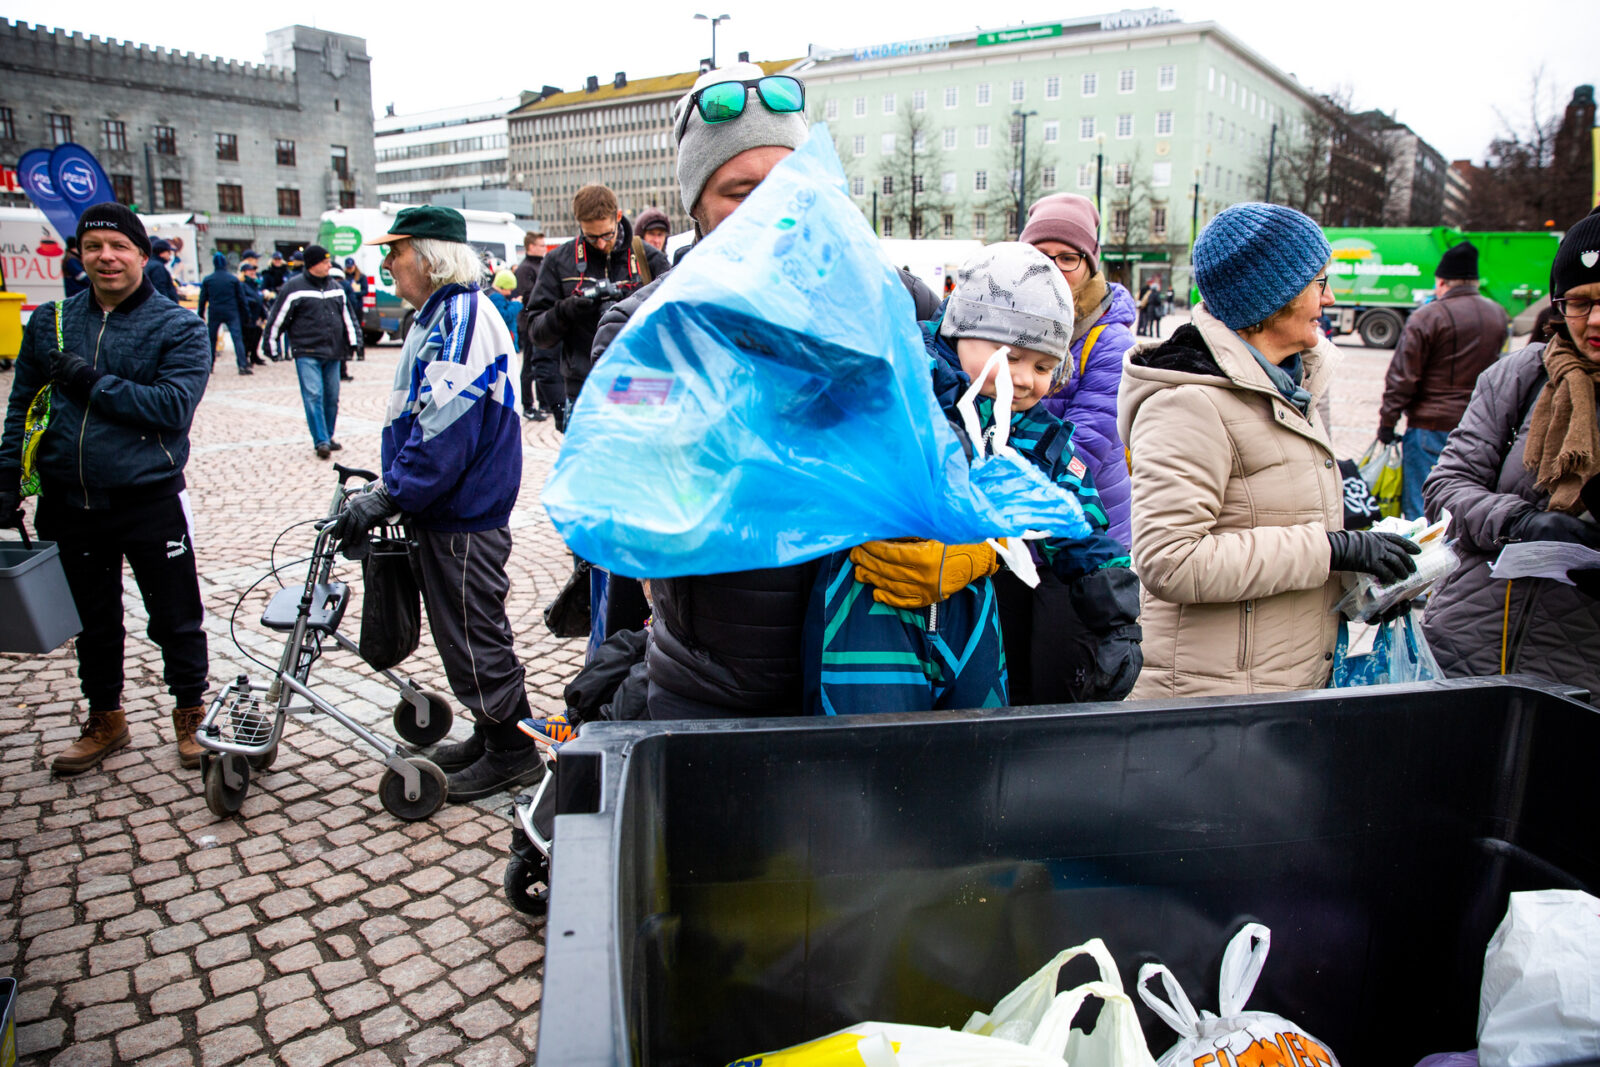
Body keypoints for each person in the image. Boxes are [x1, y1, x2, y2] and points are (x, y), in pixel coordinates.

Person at [569, 63, 943, 725]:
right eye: (741, 190)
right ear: (698, 208)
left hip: (873, 666)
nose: (772, 207)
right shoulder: (646, 328)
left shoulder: (896, 302)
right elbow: (626, 492)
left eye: (789, 183)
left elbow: (984, 434)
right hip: (718, 686)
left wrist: (968, 546)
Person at [806, 243, 1141, 714]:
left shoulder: (1032, 431)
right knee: (867, 756)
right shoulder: (905, 376)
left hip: (971, 612)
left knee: (980, 751)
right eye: (1012, 356)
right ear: (961, 331)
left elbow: (1076, 518)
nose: (1024, 379)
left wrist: (1115, 623)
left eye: (1044, 367)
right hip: (870, 605)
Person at [1119, 203, 1419, 697]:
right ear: (1272, 297)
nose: (1331, 297)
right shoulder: (1188, 403)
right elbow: (1169, 561)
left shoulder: (1289, 383)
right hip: (1211, 695)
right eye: (1320, 283)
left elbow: (1274, 522)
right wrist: (1330, 548)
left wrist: (1366, 575)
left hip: (1278, 679)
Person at [329, 205, 543, 800]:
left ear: (427, 256)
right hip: (449, 507)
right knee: (467, 631)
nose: (387, 262)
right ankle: (495, 730)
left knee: (474, 633)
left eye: (395, 251)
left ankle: (512, 750)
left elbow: (444, 430)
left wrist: (390, 492)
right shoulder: (442, 313)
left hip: (462, 511)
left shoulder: (461, 316)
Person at [0, 203, 211, 773]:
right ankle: (105, 717)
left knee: (174, 616)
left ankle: (191, 712)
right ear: (79, 254)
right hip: (69, 503)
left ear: (142, 254)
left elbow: (171, 408)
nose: (106, 257)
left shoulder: (179, 327)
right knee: (92, 619)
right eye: (94, 247)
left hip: (149, 499)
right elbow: (23, 405)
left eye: (119, 246)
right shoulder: (51, 321)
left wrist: (89, 380)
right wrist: (6, 477)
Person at [1420, 206, 1600, 701]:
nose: (1594, 320)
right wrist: (1518, 522)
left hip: (1581, 672)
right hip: (1466, 646)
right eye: (1577, 302)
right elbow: (1444, 489)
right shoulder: (1517, 377)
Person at [1021, 193, 1136, 546]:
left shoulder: (1110, 342)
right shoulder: (1004, 323)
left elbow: (1083, 446)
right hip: (1017, 530)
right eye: (1040, 257)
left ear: (1089, 266)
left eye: (1068, 258)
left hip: (1080, 536)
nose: (1052, 269)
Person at [1376, 241, 1510, 519]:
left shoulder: (1428, 316)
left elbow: (1402, 377)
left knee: (1421, 509)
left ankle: (1422, 562)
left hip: (1430, 426)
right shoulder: (1498, 314)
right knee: (1466, 504)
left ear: (1442, 281)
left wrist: (1387, 423)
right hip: (1481, 426)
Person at [525, 184, 670, 426]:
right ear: (579, 225)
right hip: (584, 389)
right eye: (591, 237)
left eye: (607, 235)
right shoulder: (558, 262)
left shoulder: (648, 259)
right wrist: (566, 310)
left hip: (640, 388)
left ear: (618, 217)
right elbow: (537, 333)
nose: (601, 244)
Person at [262, 244, 359, 459]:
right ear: (313, 264)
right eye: (324, 262)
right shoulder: (294, 287)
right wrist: (271, 344)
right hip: (306, 350)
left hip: (333, 352)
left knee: (331, 397)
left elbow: (347, 317)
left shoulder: (335, 286)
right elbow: (278, 317)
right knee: (314, 395)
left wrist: (354, 342)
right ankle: (321, 441)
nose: (329, 265)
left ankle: (328, 435)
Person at [512, 231, 562, 422]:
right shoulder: (525, 268)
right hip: (529, 323)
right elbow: (527, 295)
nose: (544, 249)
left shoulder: (542, 265)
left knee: (545, 363)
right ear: (531, 246)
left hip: (543, 322)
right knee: (529, 366)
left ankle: (544, 403)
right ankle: (528, 405)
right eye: (541, 245)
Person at [197, 251, 253, 375]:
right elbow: (241, 299)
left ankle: (210, 365)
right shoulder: (232, 279)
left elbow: (202, 299)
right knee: (237, 339)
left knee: (212, 340)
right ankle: (242, 365)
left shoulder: (208, 279)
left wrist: (200, 314)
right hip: (232, 311)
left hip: (215, 311)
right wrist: (246, 314)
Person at [239, 258, 267, 364]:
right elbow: (242, 299)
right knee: (247, 338)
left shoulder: (256, 284)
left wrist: (264, 315)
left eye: (254, 270)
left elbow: (260, 299)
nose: (253, 272)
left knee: (257, 335)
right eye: (250, 270)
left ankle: (254, 355)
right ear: (244, 272)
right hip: (247, 315)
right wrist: (254, 300)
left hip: (257, 315)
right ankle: (245, 357)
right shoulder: (242, 284)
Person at [486, 270, 522, 350]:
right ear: (503, 286)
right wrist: (516, 304)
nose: (509, 293)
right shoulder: (496, 297)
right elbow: (503, 316)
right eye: (509, 289)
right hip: (505, 339)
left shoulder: (491, 294)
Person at [144, 238, 180, 303]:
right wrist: (168, 306)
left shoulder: (149, 264)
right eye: (169, 252)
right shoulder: (158, 267)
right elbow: (161, 289)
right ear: (162, 253)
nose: (170, 255)